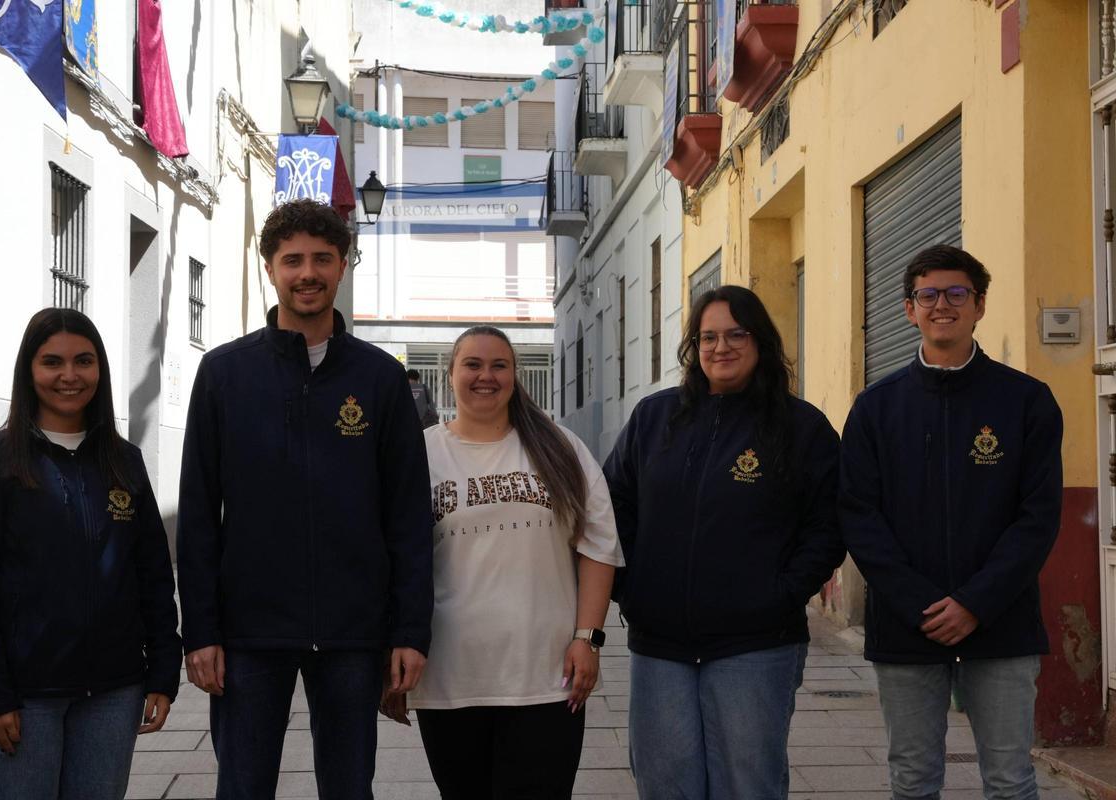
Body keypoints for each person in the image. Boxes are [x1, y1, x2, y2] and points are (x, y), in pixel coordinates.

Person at [177, 198, 434, 800]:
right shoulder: (224, 375)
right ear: (269, 267)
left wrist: (410, 631)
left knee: (349, 789)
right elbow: (197, 517)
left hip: (353, 631)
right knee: (242, 788)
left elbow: (408, 517)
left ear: (343, 264)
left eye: (322, 257)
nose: (307, 272)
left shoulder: (379, 379)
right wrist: (202, 631)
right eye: (292, 260)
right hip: (247, 633)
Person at [603, 286, 844, 800]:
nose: (721, 347)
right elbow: (611, 507)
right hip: (660, 645)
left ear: (761, 342)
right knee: (665, 783)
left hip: (755, 645)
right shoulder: (653, 418)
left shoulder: (801, 427)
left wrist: (780, 594)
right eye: (708, 336)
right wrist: (632, 588)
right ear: (693, 346)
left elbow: (827, 525)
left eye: (737, 333)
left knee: (747, 785)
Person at [840, 244, 1062, 800]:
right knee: (913, 781)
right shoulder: (876, 407)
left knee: (1011, 780)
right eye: (928, 295)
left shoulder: (1026, 401)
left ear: (980, 305)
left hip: (1001, 627)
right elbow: (859, 516)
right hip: (906, 629)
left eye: (957, 293)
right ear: (909, 309)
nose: (943, 305)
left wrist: (976, 603)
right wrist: (921, 605)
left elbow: (1037, 518)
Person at [381, 325, 621, 800]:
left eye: (499, 365)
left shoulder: (560, 447)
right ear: (450, 374)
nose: (485, 376)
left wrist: (587, 639)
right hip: (451, 676)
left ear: (515, 375)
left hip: (547, 677)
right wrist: (392, 647)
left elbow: (598, 545)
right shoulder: (419, 452)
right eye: (472, 364)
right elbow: (392, 558)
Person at [0, 308, 181, 800]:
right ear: (28, 372)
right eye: (52, 362)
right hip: (24, 697)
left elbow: (153, 576)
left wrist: (164, 671)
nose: (69, 376)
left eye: (84, 361)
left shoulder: (124, 462)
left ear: (100, 369)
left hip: (114, 692)